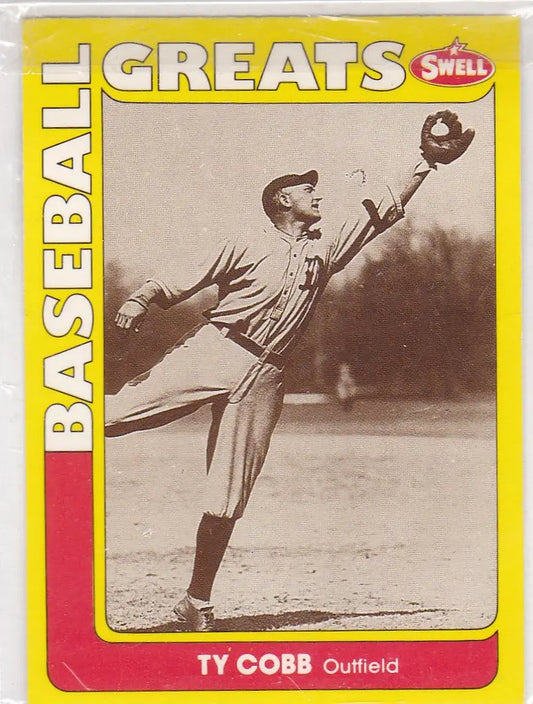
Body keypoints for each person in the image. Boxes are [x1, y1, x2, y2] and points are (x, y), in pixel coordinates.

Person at [105, 110, 474, 631]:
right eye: (307, 190)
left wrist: (425, 162)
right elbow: (182, 278)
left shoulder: (325, 248)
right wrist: (140, 301)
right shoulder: (246, 238)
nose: (317, 196)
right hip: (220, 348)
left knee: (228, 496)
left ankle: (195, 599)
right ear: (282, 200)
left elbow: (379, 209)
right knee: (111, 417)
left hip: (268, 374)